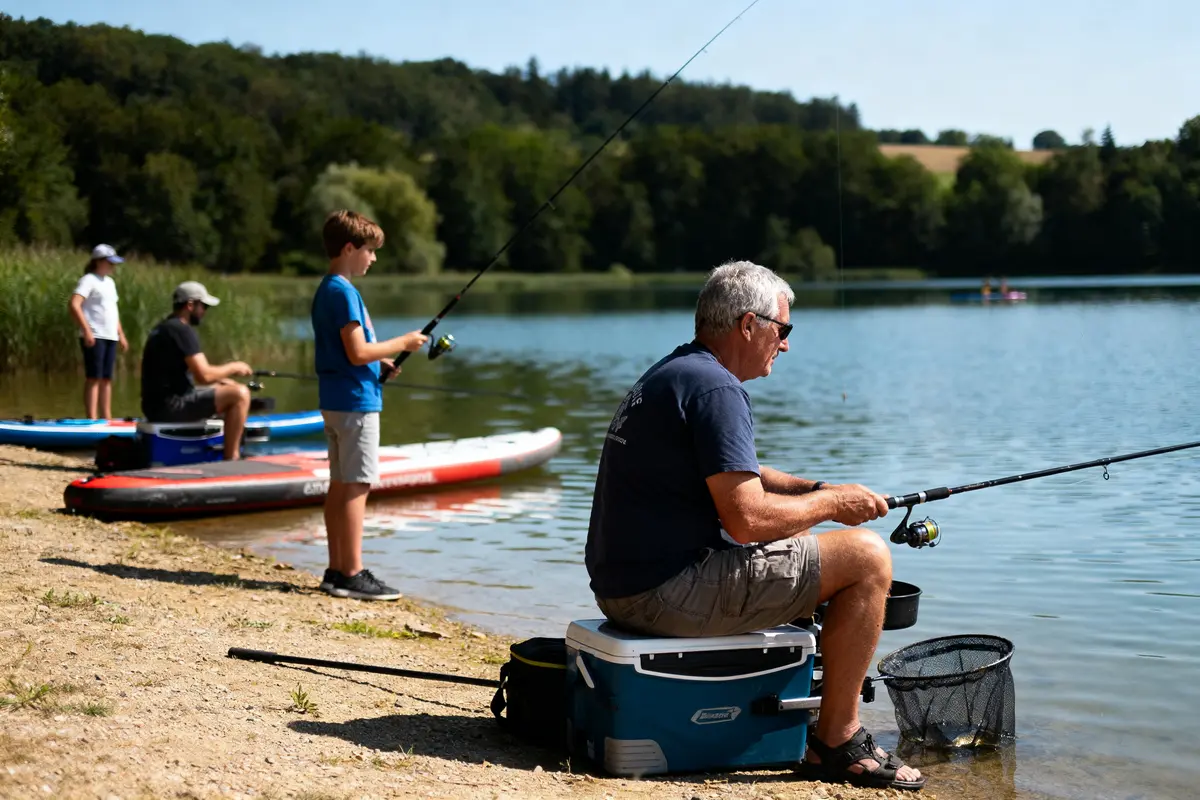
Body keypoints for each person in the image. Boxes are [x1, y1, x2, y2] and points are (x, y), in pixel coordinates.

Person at [585, 260, 925, 791]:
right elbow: (747, 521)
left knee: (810, 539)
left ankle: (813, 710)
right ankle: (836, 739)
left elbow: (742, 472)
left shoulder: (675, 373)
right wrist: (834, 506)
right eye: (782, 330)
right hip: (666, 594)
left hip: (622, 588)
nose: (785, 345)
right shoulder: (718, 390)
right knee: (866, 557)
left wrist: (815, 491)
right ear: (749, 325)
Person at [311, 209, 428, 601]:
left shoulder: (327, 288)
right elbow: (357, 351)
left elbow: (352, 351)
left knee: (341, 485)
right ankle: (353, 572)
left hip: (336, 400)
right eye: (369, 251)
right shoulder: (344, 291)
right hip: (356, 403)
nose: (373, 259)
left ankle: (334, 570)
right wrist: (404, 343)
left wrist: (381, 360)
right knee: (357, 485)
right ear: (349, 248)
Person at [140, 282, 252, 460]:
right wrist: (234, 367)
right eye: (204, 306)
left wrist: (219, 383)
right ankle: (232, 458)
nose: (204, 311)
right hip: (171, 407)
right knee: (240, 394)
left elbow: (182, 376)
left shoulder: (163, 327)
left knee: (226, 387)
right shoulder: (182, 330)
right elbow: (204, 376)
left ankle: (217, 447)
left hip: (155, 406)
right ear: (190, 305)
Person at [69, 244, 129, 419]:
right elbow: (74, 304)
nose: (113, 266)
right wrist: (86, 330)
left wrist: (121, 334)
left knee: (107, 379)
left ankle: (107, 417)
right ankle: (92, 418)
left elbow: (112, 310)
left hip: (110, 335)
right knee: (94, 378)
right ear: (99, 262)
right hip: (94, 335)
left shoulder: (110, 283)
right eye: (110, 262)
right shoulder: (88, 280)